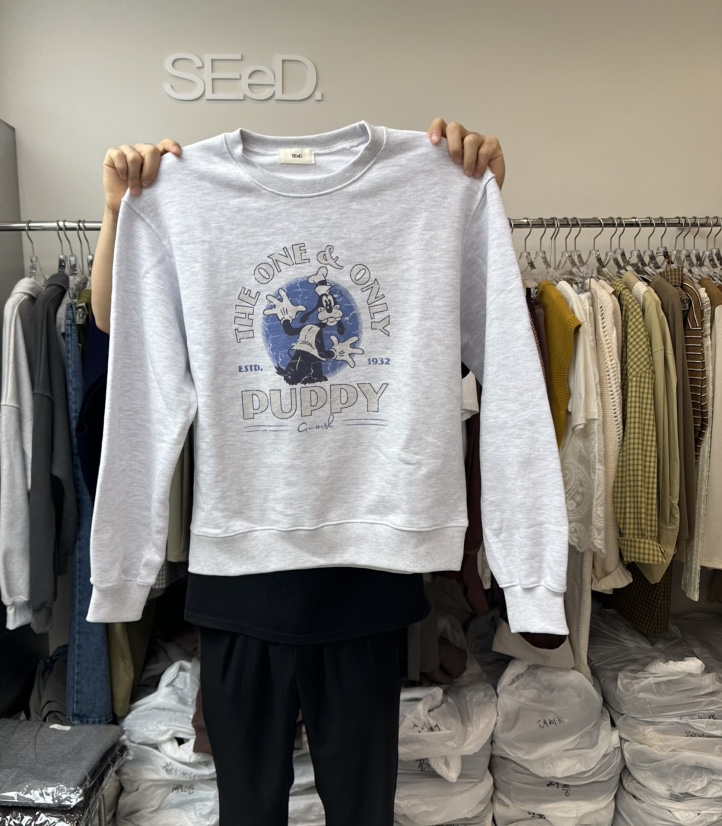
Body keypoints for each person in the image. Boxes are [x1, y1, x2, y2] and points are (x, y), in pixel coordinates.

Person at [92, 119, 506, 826]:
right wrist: (121, 212)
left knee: (361, 811)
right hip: (241, 574)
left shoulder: (432, 186)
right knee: (249, 811)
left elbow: (497, 351)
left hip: (368, 570)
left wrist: (474, 197)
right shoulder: (185, 193)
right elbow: (121, 332)